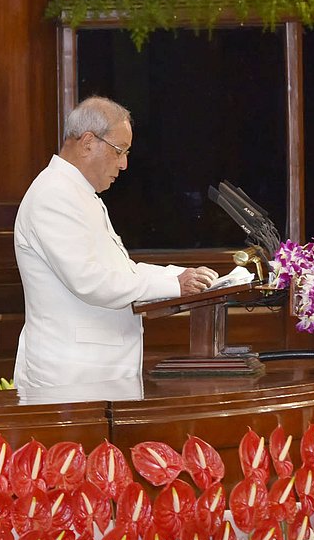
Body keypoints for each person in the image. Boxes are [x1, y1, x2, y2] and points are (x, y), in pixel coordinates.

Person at [12, 97, 218, 389]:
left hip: (94, 372)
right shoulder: (53, 196)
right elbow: (90, 281)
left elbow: (121, 270)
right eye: (120, 151)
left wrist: (177, 275)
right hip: (72, 376)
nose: (124, 164)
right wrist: (175, 285)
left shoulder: (79, 193)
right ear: (87, 143)